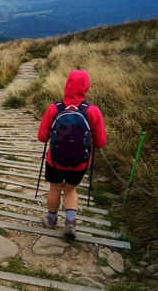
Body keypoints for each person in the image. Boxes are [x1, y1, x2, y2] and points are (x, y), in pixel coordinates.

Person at [37, 70, 107, 238]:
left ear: (67, 85)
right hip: (79, 163)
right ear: (86, 87)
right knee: (70, 190)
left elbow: (41, 137)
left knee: (55, 188)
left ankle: (52, 220)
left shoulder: (54, 108)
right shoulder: (93, 111)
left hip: (55, 160)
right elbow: (100, 142)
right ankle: (70, 224)